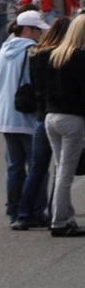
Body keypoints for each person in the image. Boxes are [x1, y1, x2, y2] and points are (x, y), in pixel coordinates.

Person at [0, 10, 47, 227]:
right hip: (28, 117)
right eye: (38, 30)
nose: (41, 35)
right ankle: (33, 210)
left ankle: (13, 210)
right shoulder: (33, 54)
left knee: (14, 166)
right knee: (37, 166)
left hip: (4, 118)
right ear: (28, 29)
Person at [18, 15, 72, 227]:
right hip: (61, 113)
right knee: (62, 167)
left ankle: (23, 214)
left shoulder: (37, 54)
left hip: (42, 117)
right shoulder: (62, 57)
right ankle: (56, 212)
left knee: (37, 168)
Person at [43, 15, 85, 235]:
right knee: (66, 173)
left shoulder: (56, 55)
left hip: (51, 116)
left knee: (61, 169)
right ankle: (59, 222)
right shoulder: (81, 57)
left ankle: (66, 217)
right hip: (72, 118)